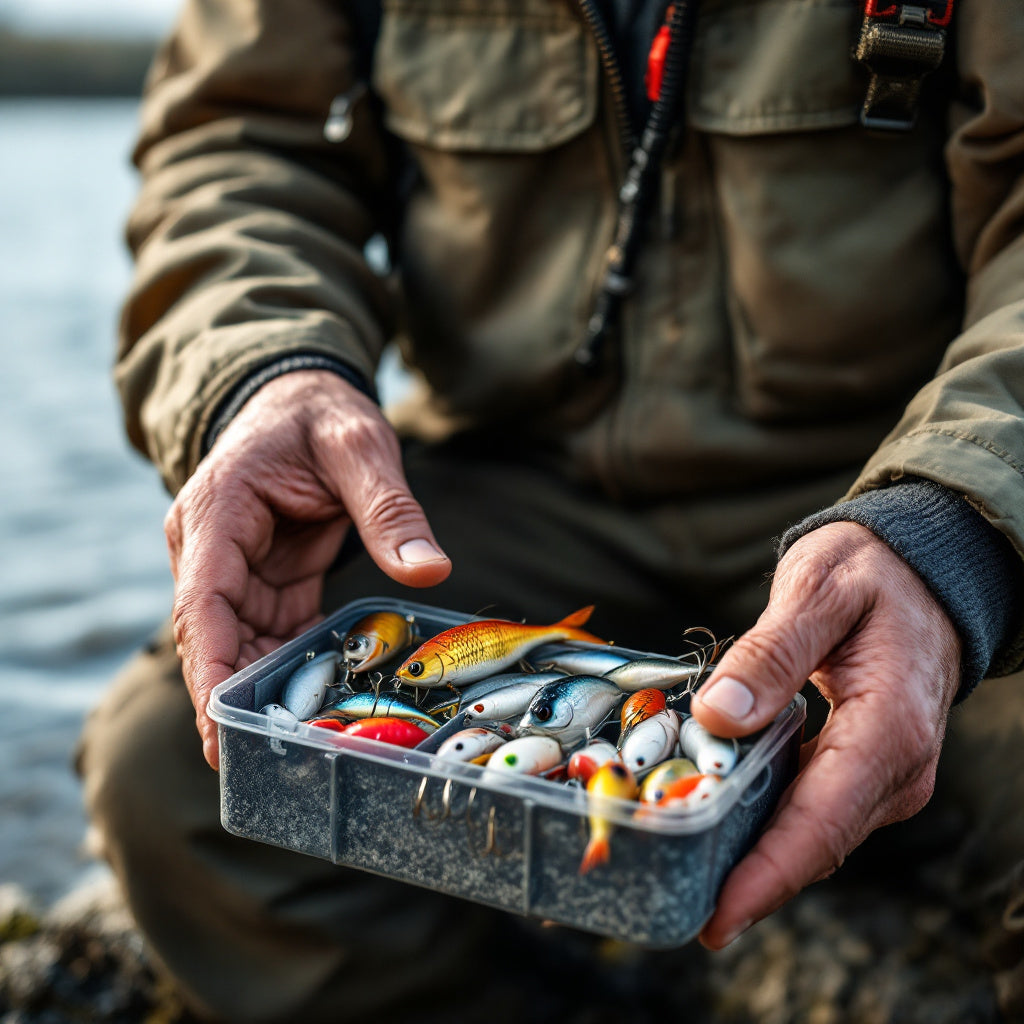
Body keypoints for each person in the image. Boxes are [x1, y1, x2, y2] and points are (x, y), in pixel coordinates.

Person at [78, 0, 1024, 1019]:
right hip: (493, 502)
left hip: (894, 494)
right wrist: (262, 373)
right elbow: (238, 145)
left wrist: (956, 522)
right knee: (175, 779)